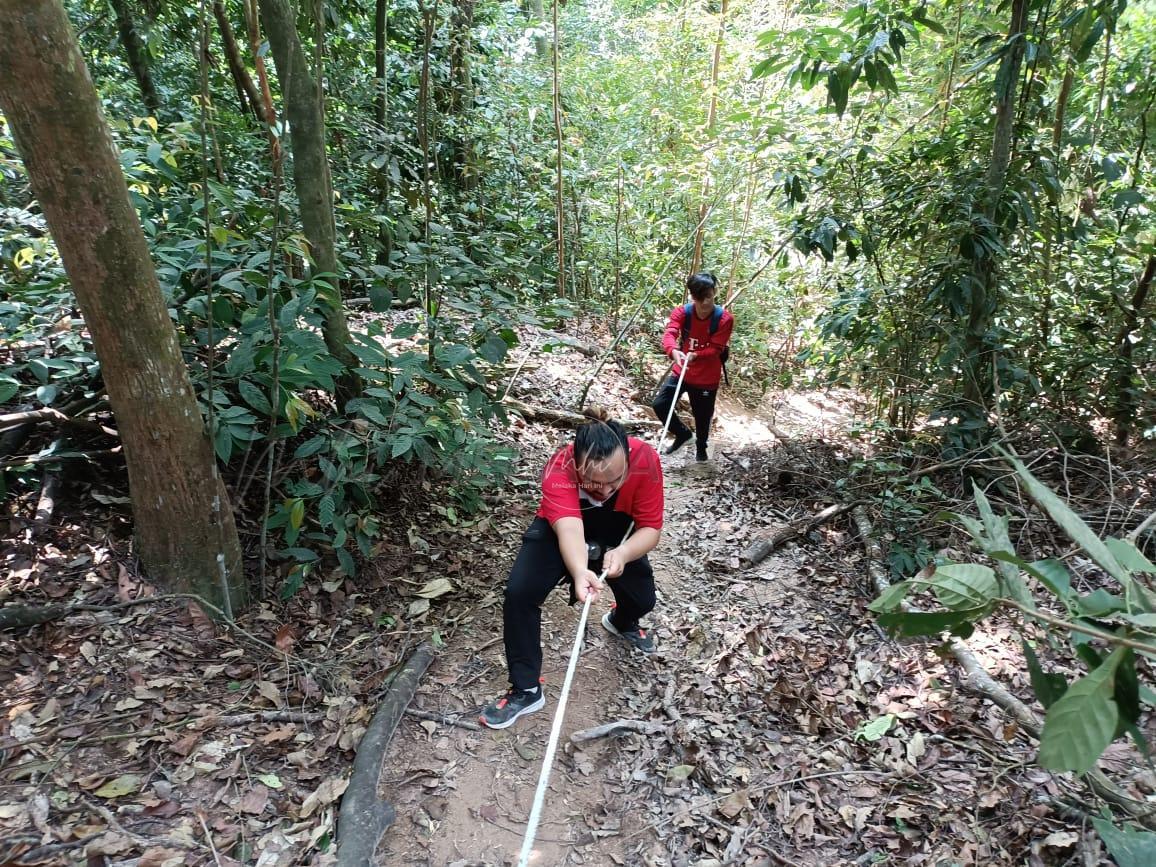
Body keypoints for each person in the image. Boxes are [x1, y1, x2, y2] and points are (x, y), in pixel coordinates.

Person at [479, 408, 665, 730]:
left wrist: (623, 552)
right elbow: (569, 530)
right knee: (520, 593)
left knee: (643, 600)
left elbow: (650, 528)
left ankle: (621, 620)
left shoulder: (645, 460)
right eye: (593, 482)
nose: (605, 491)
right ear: (576, 463)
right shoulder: (558, 468)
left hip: (618, 529)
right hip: (560, 527)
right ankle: (525, 688)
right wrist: (580, 571)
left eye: (615, 481)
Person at [653, 271, 734, 461]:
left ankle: (701, 448)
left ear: (714, 292)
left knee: (702, 416)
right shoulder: (682, 312)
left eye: (709, 296)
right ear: (692, 295)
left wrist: (696, 355)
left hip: (707, 377)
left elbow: (716, 348)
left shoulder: (724, 319)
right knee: (660, 404)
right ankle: (682, 434)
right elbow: (670, 333)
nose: (705, 302)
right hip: (682, 370)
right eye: (700, 297)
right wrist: (673, 350)